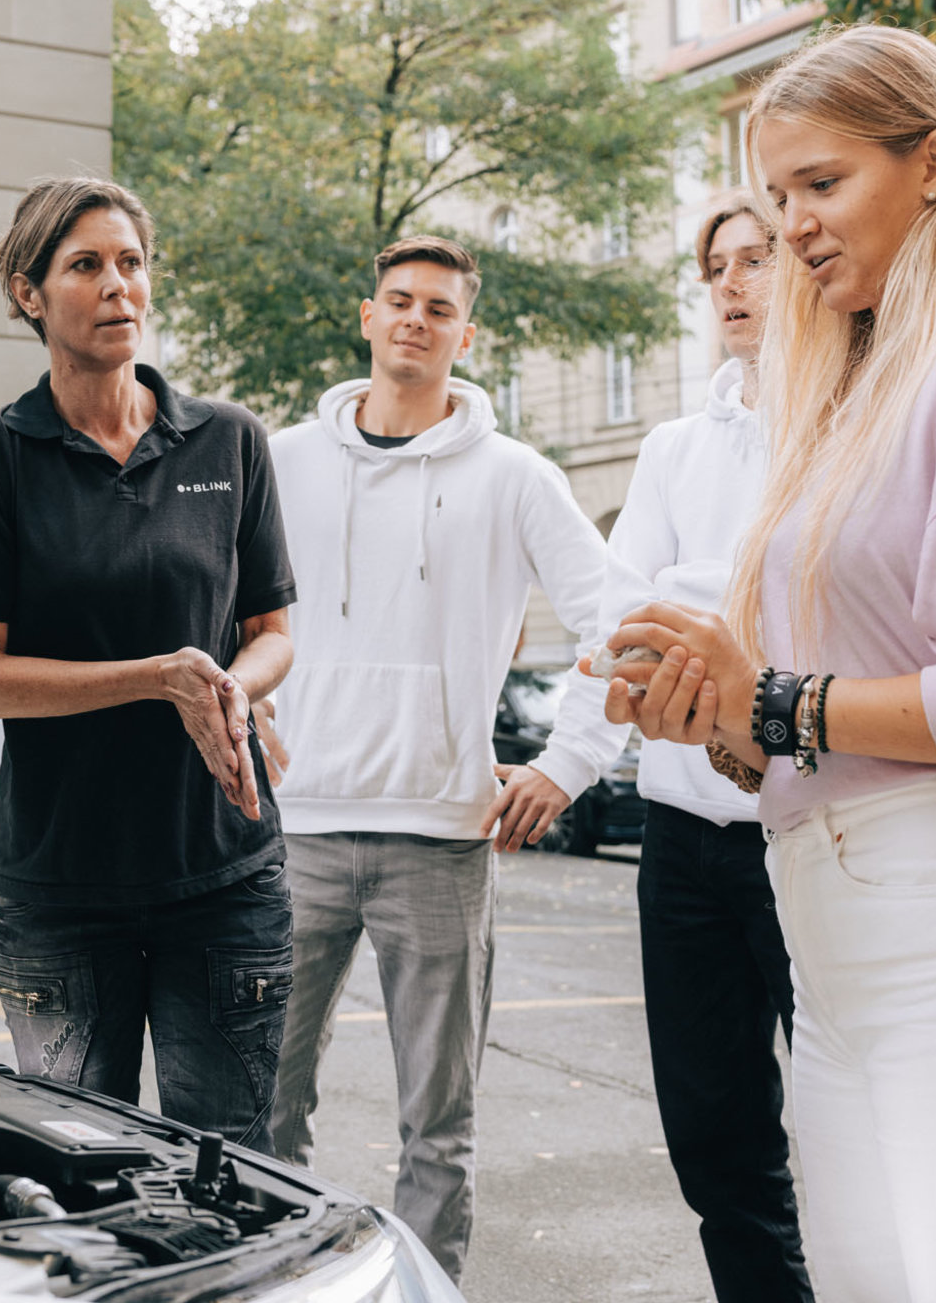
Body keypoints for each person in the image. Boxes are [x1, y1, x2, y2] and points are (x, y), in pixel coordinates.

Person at [599, 24, 936, 1301]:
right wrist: (717, 717)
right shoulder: (840, 403)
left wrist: (774, 700)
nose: (789, 225)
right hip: (829, 942)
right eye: (776, 194)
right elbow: (801, 723)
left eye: (820, 184)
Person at [262, 235, 625, 1281]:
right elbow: (210, 604)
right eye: (398, 301)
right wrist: (239, 718)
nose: (415, 319)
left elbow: (614, 621)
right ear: (366, 316)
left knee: (438, 1129)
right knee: (264, 1108)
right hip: (296, 837)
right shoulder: (280, 460)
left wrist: (568, 762)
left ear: (466, 335)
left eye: (438, 308)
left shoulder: (516, 478)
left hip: (442, 843)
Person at [0, 176, 297, 1151]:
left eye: (131, 263)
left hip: (225, 880)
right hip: (60, 894)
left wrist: (226, 689)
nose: (116, 285)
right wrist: (159, 675)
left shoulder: (228, 441)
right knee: (79, 1183)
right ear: (28, 293)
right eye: (84, 265)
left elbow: (273, 634)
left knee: (228, 1176)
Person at [598, 191, 813, 1303]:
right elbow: (619, 621)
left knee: (843, 1130)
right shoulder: (673, 447)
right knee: (715, 1137)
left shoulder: (846, 424)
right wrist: (710, 610)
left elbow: (797, 617)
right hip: (680, 841)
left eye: (755, 259)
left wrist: (701, 608)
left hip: (806, 834)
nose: (731, 285)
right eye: (713, 268)